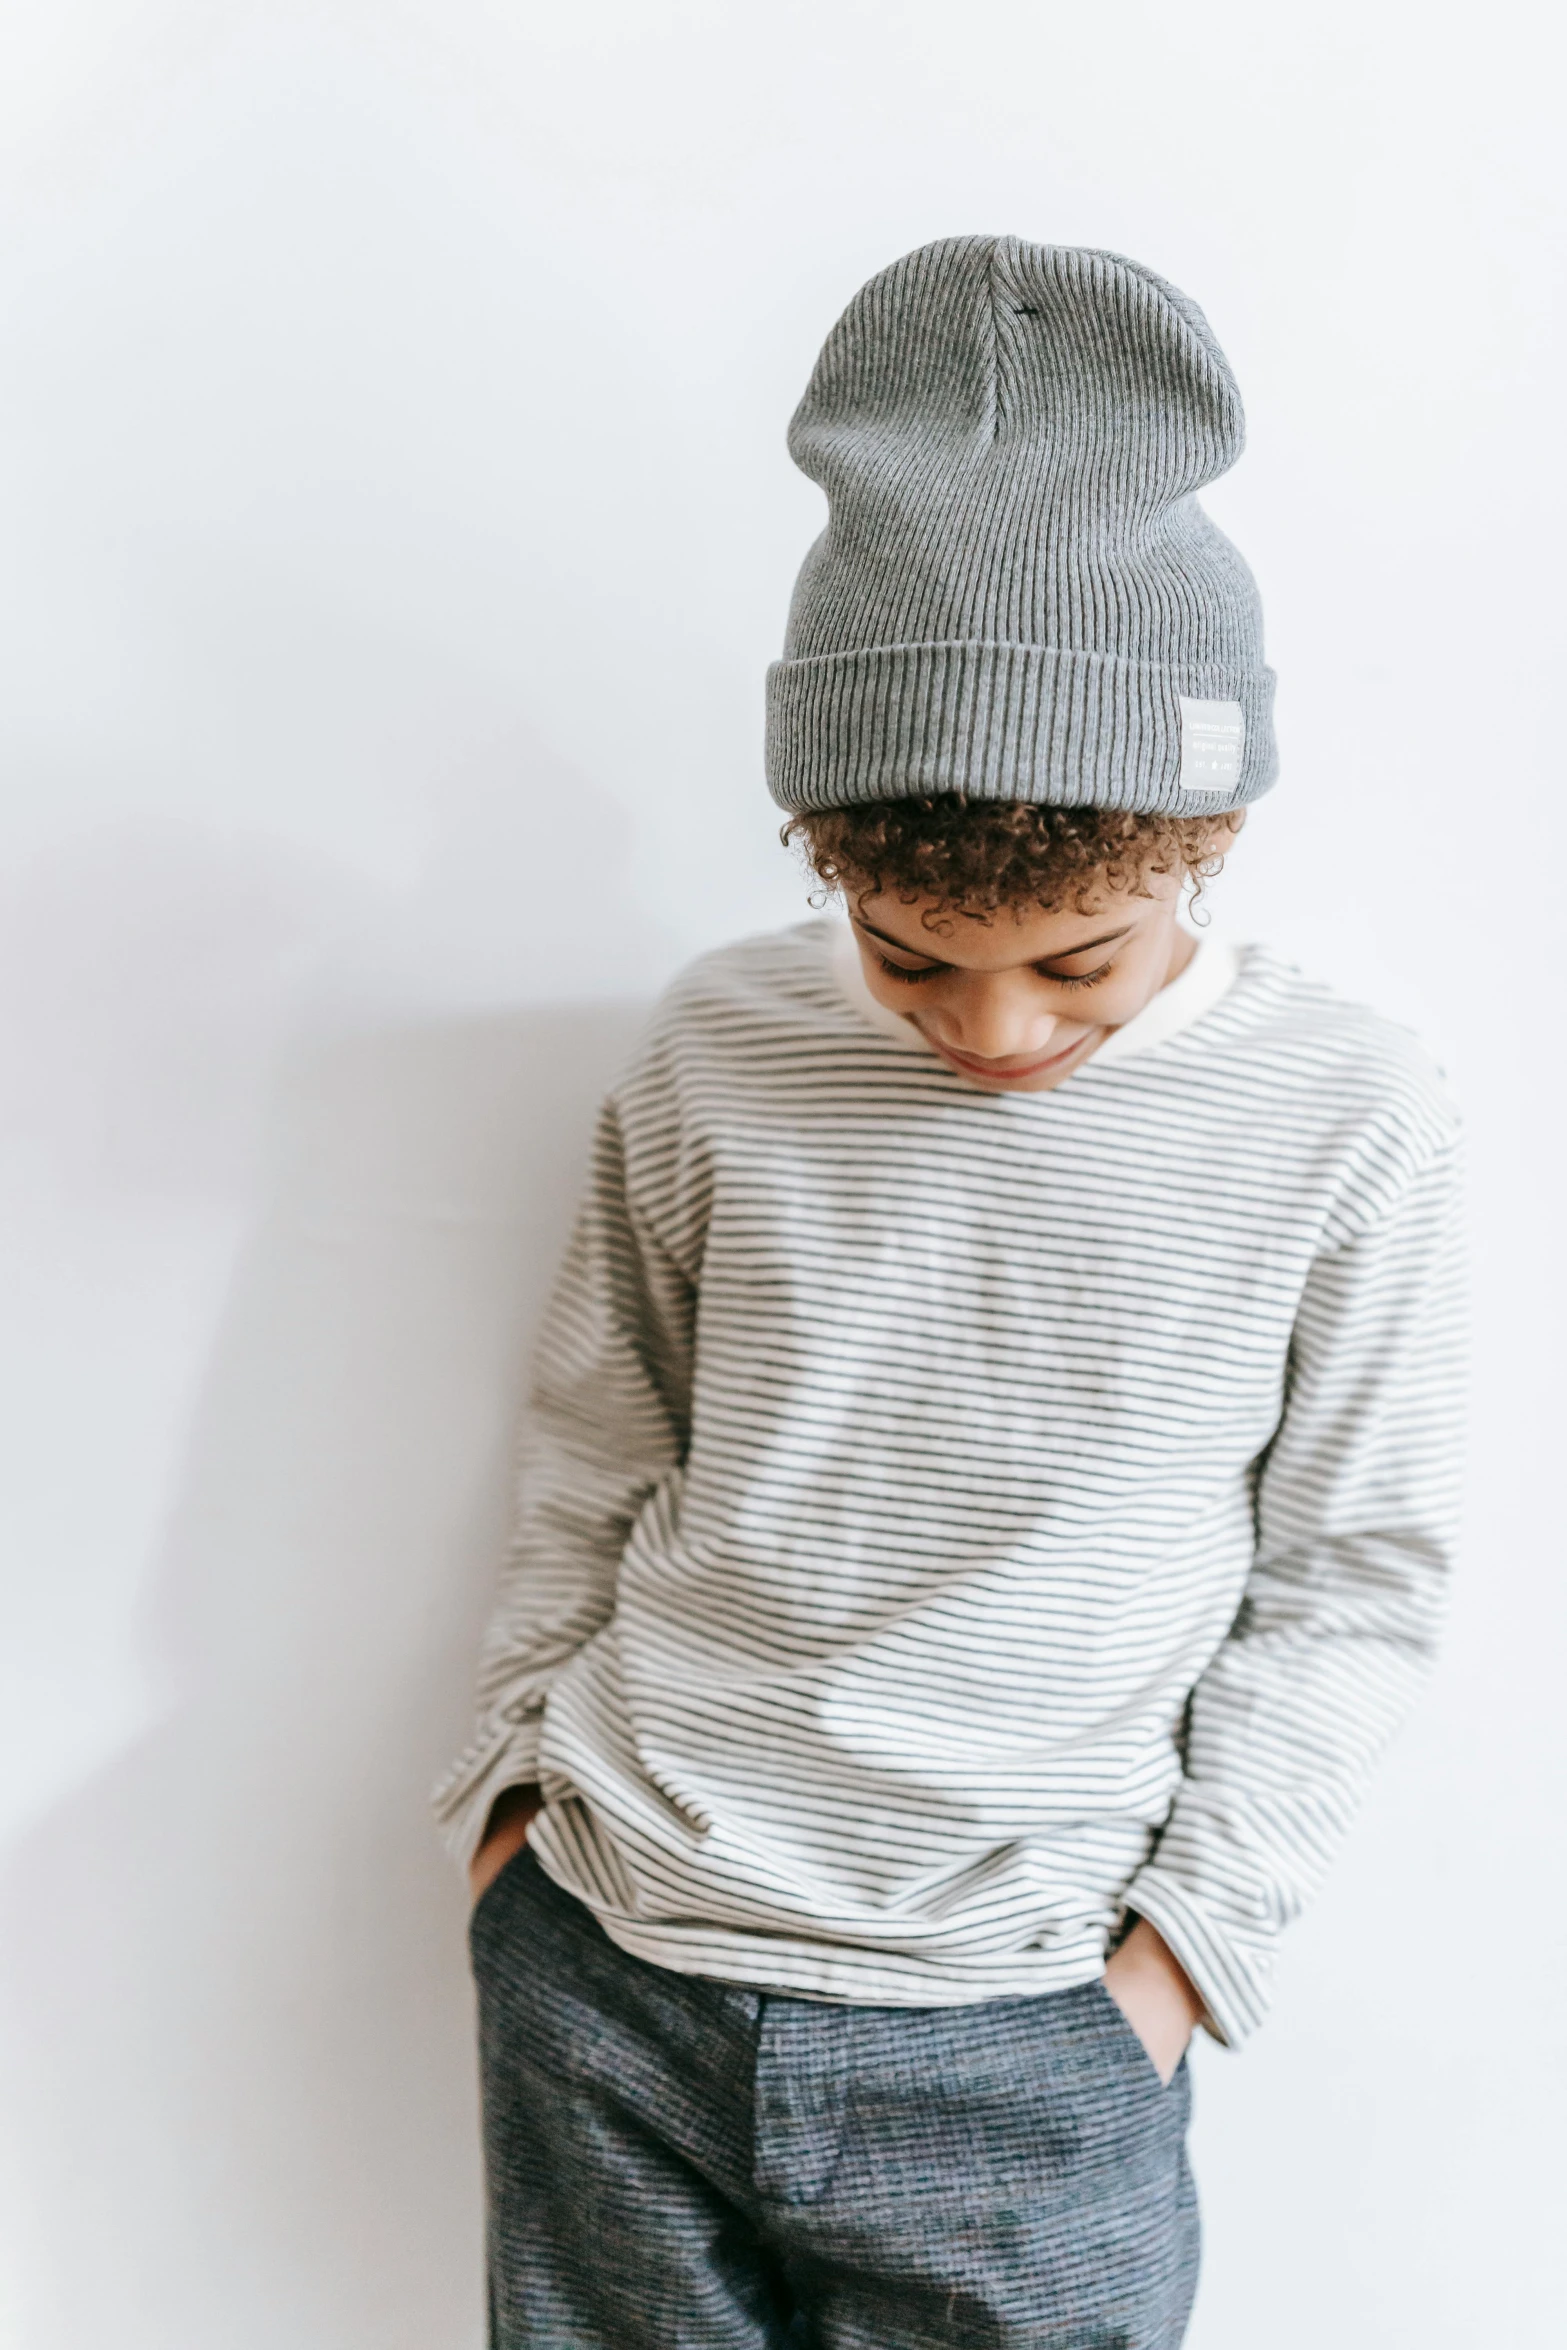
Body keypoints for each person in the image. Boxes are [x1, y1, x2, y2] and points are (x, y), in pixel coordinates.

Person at [434, 237, 1466, 2348]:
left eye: (1076, 960)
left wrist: (1178, 1959)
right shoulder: (717, 1042)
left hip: (1030, 2018)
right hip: (620, 1949)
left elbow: (1354, 1566)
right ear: (816, 847)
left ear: (1215, 831)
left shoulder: (1344, 1105)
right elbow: (599, 1436)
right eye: (909, 957)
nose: (991, 1032)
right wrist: (509, 1811)